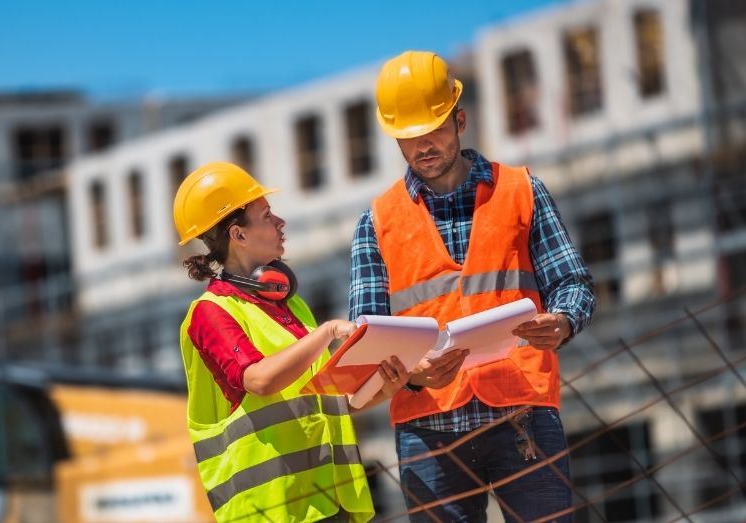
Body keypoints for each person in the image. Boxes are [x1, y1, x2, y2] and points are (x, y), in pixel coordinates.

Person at [349, 50, 596, 522]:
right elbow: (367, 343)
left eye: (434, 130)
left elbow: (571, 282)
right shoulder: (375, 223)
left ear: (460, 120)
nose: (423, 146)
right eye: (409, 137)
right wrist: (413, 372)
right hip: (428, 429)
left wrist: (563, 321)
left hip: (522, 412)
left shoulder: (522, 190)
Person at [174, 161, 410, 523]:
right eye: (267, 216)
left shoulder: (290, 305)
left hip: (330, 501)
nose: (281, 222)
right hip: (272, 510)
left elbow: (324, 404)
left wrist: (383, 388)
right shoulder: (210, 313)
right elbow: (259, 380)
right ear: (238, 235)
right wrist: (326, 332)